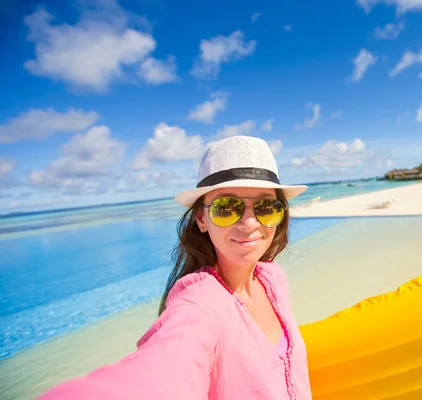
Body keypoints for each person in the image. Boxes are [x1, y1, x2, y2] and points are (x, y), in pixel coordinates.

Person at [39, 135, 312, 399]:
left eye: (266, 206)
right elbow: (165, 366)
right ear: (201, 219)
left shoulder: (273, 277)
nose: (250, 223)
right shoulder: (201, 304)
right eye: (227, 207)